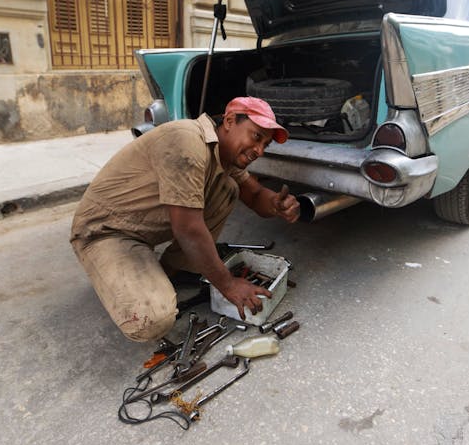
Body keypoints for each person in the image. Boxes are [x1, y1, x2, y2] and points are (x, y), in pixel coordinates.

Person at [70, 97, 300, 342]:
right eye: (256, 137)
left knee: (228, 189)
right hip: (106, 231)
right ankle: (116, 273)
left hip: (142, 229)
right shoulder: (186, 141)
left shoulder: (224, 154)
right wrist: (228, 284)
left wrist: (276, 204)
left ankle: (169, 272)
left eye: (265, 144)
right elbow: (188, 229)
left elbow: (254, 195)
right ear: (230, 121)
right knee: (153, 320)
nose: (259, 150)